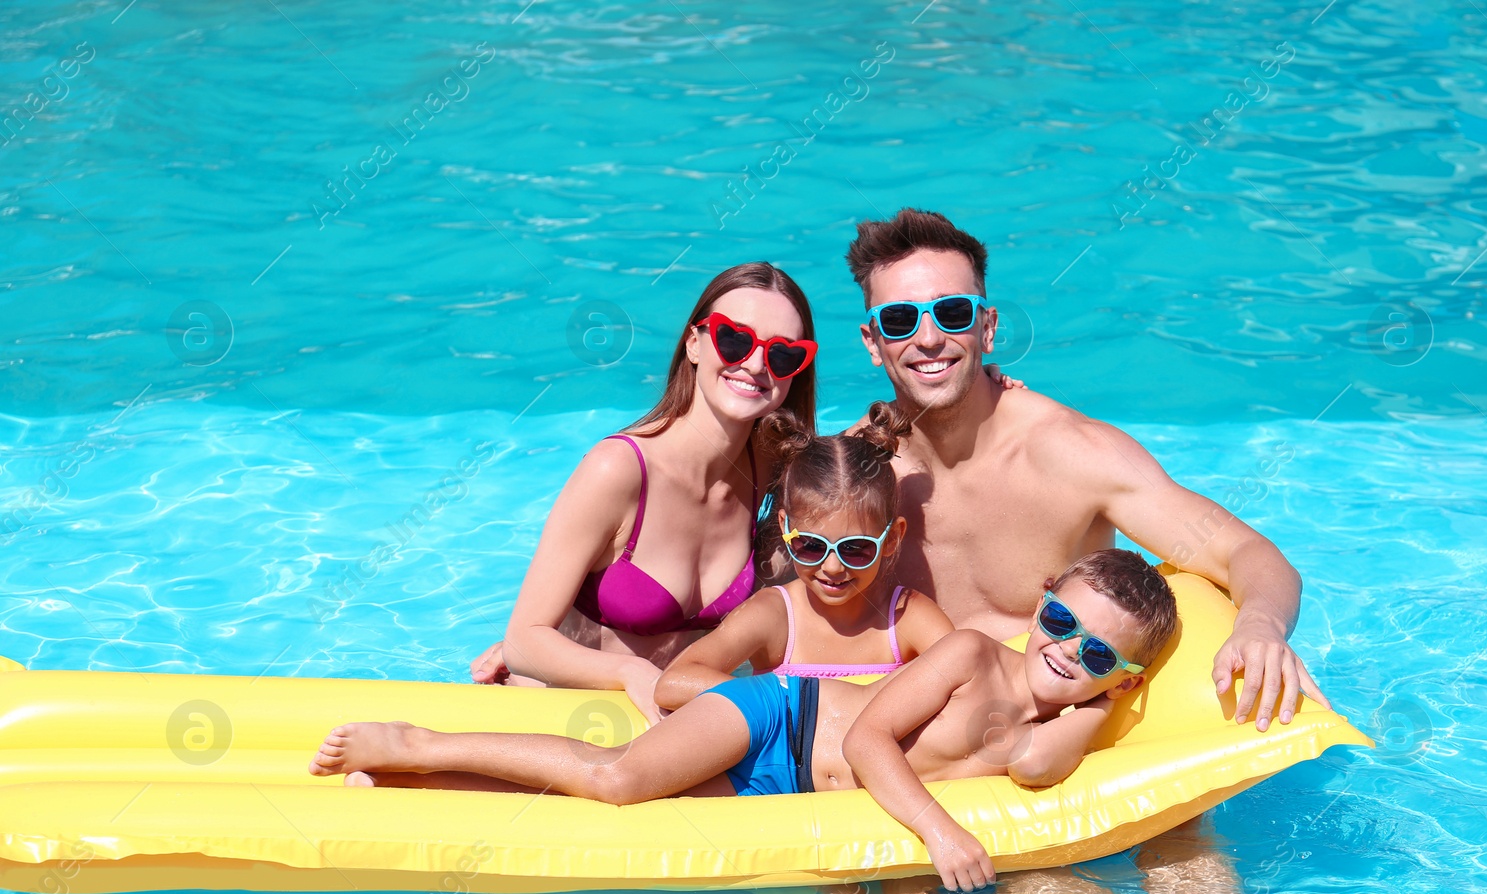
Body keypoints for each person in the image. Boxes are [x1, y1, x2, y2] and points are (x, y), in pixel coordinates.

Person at [836, 207, 1329, 894]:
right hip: (952, 754)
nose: (928, 338)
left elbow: (1249, 553)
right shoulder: (866, 476)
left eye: (953, 313)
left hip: (1073, 738)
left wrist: (1261, 623)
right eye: (900, 318)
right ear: (873, 341)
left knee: (1180, 840)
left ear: (987, 326)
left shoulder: (1072, 455)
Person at [304, 550, 1171, 808]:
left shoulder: (1043, 730)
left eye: (1098, 655)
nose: (1066, 652)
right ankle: (417, 738)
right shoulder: (974, 654)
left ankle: (415, 779)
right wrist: (941, 836)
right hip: (780, 721)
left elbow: (1034, 767)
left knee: (613, 808)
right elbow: (870, 739)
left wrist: (1104, 699)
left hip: (789, 784)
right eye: (1061, 623)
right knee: (614, 781)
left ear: (1120, 681)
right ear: (1041, 600)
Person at [467, 262, 818, 722]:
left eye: (783, 354)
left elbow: (862, 455)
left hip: (669, 735)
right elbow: (523, 641)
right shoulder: (619, 470)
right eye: (734, 339)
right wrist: (631, 673)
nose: (754, 364)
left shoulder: (773, 470)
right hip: (562, 718)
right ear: (694, 343)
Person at [652, 407, 953, 712]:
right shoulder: (775, 615)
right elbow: (674, 683)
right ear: (784, 528)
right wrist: (801, 702)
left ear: (890, 539)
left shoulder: (905, 617)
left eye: (855, 548)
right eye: (810, 545)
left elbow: (974, 680)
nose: (833, 567)